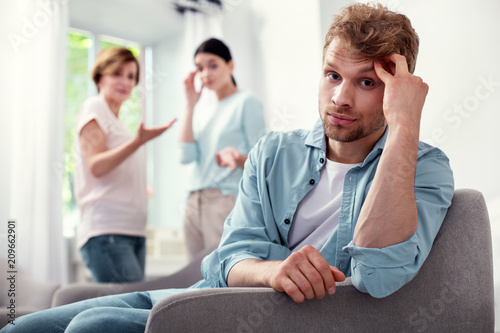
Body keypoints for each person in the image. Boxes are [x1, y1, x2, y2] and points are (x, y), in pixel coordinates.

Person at [0, 3, 454, 332]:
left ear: (400, 89)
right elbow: (227, 258)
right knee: (21, 328)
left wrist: (403, 126)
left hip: (239, 316)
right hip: (198, 292)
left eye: (368, 82)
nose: (340, 98)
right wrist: (272, 270)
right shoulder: (275, 151)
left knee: (91, 326)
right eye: (333, 75)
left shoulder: (425, 167)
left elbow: (378, 276)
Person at [74, 47, 176, 283]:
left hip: (131, 232)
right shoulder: (95, 107)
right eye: (117, 73)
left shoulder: (117, 123)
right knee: (131, 315)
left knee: (131, 313)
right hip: (108, 231)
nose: (126, 81)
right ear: (100, 76)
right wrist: (138, 142)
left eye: (131, 76)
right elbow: (96, 166)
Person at [178, 38, 266, 259]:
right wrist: (190, 104)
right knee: (194, 275)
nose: (206, 73)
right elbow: (185, 156)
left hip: (224, 198)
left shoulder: (246, 102)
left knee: (222, 269)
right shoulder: (202, 111)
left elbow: (262, 161)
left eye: (213, 65)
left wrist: (237, 158)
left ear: (231, 65)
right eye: (199, 68)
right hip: (193, 200)